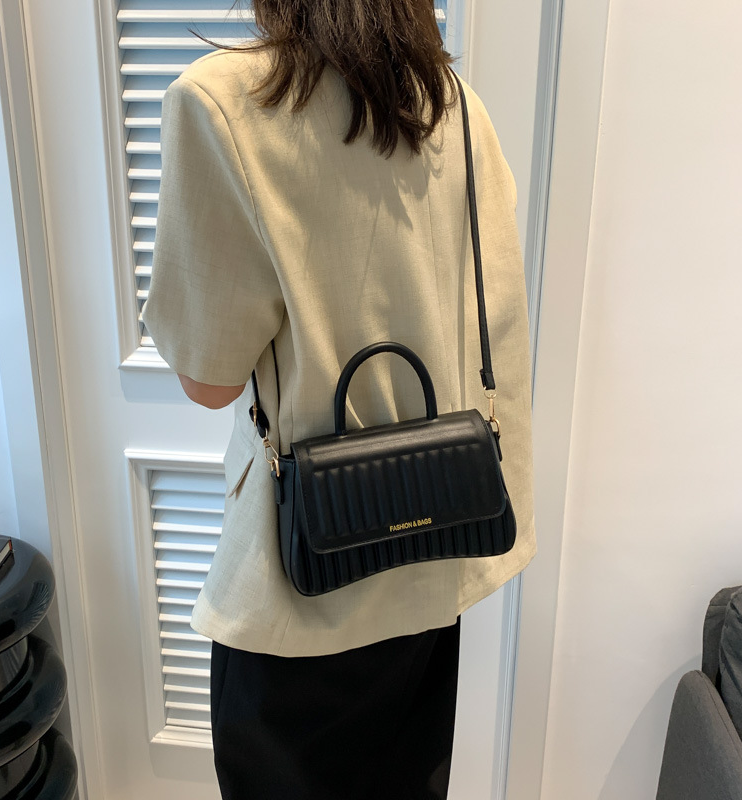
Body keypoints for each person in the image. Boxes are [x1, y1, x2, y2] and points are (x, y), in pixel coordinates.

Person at [140, 1, 537, 797]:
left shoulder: (225, 101)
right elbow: (489, 321)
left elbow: (209, 381)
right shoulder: (452, 105)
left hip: (307, 576)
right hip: (435, 556)